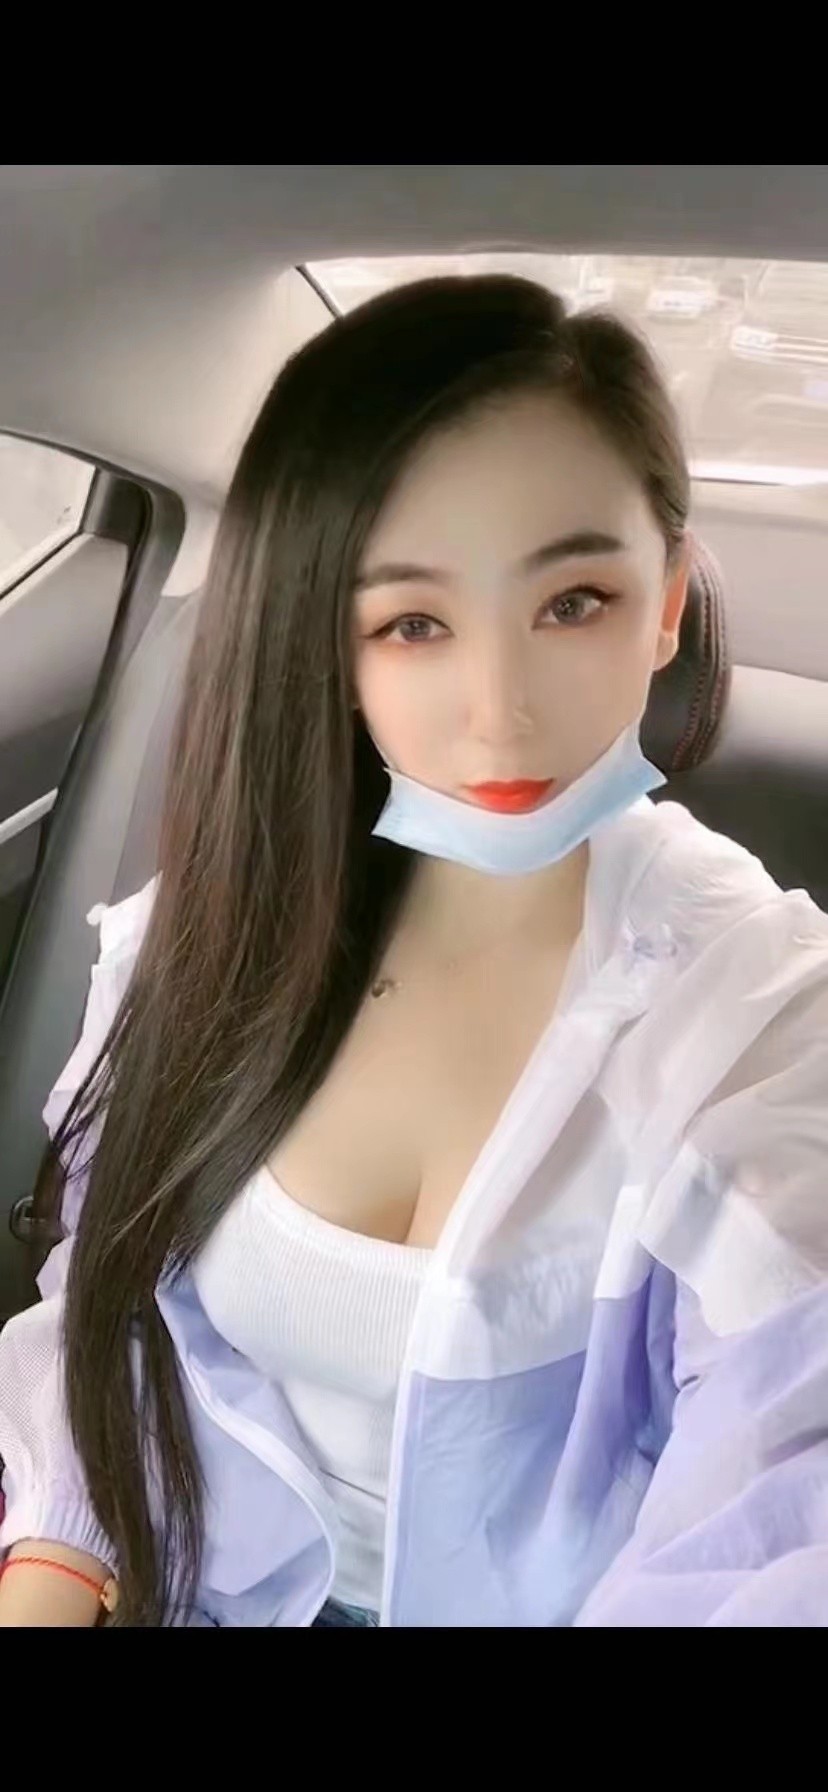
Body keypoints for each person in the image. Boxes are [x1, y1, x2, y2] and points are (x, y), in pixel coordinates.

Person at [1, 275, 826, 1628]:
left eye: (574, 602)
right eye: (413, 625)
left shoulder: (763, 1021)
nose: (500, 713)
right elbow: (111, 1313)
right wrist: (56, 1564)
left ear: (668, 602)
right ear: (331, 648)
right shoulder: (203, 937)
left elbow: (783, 1497)